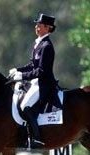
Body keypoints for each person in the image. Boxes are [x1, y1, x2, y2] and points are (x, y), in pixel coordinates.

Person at [9, 13, 57, 148]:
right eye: (36, 24)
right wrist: (17, 70)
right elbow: (31, 66)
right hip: (35, 82)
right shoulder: (38, 44)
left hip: (43, 84)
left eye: (39, 25)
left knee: (25, 106)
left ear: (48, 28)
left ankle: (37, 138)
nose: (36, 26)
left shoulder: (47, 46)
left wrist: (22, 77)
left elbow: (41, 71)